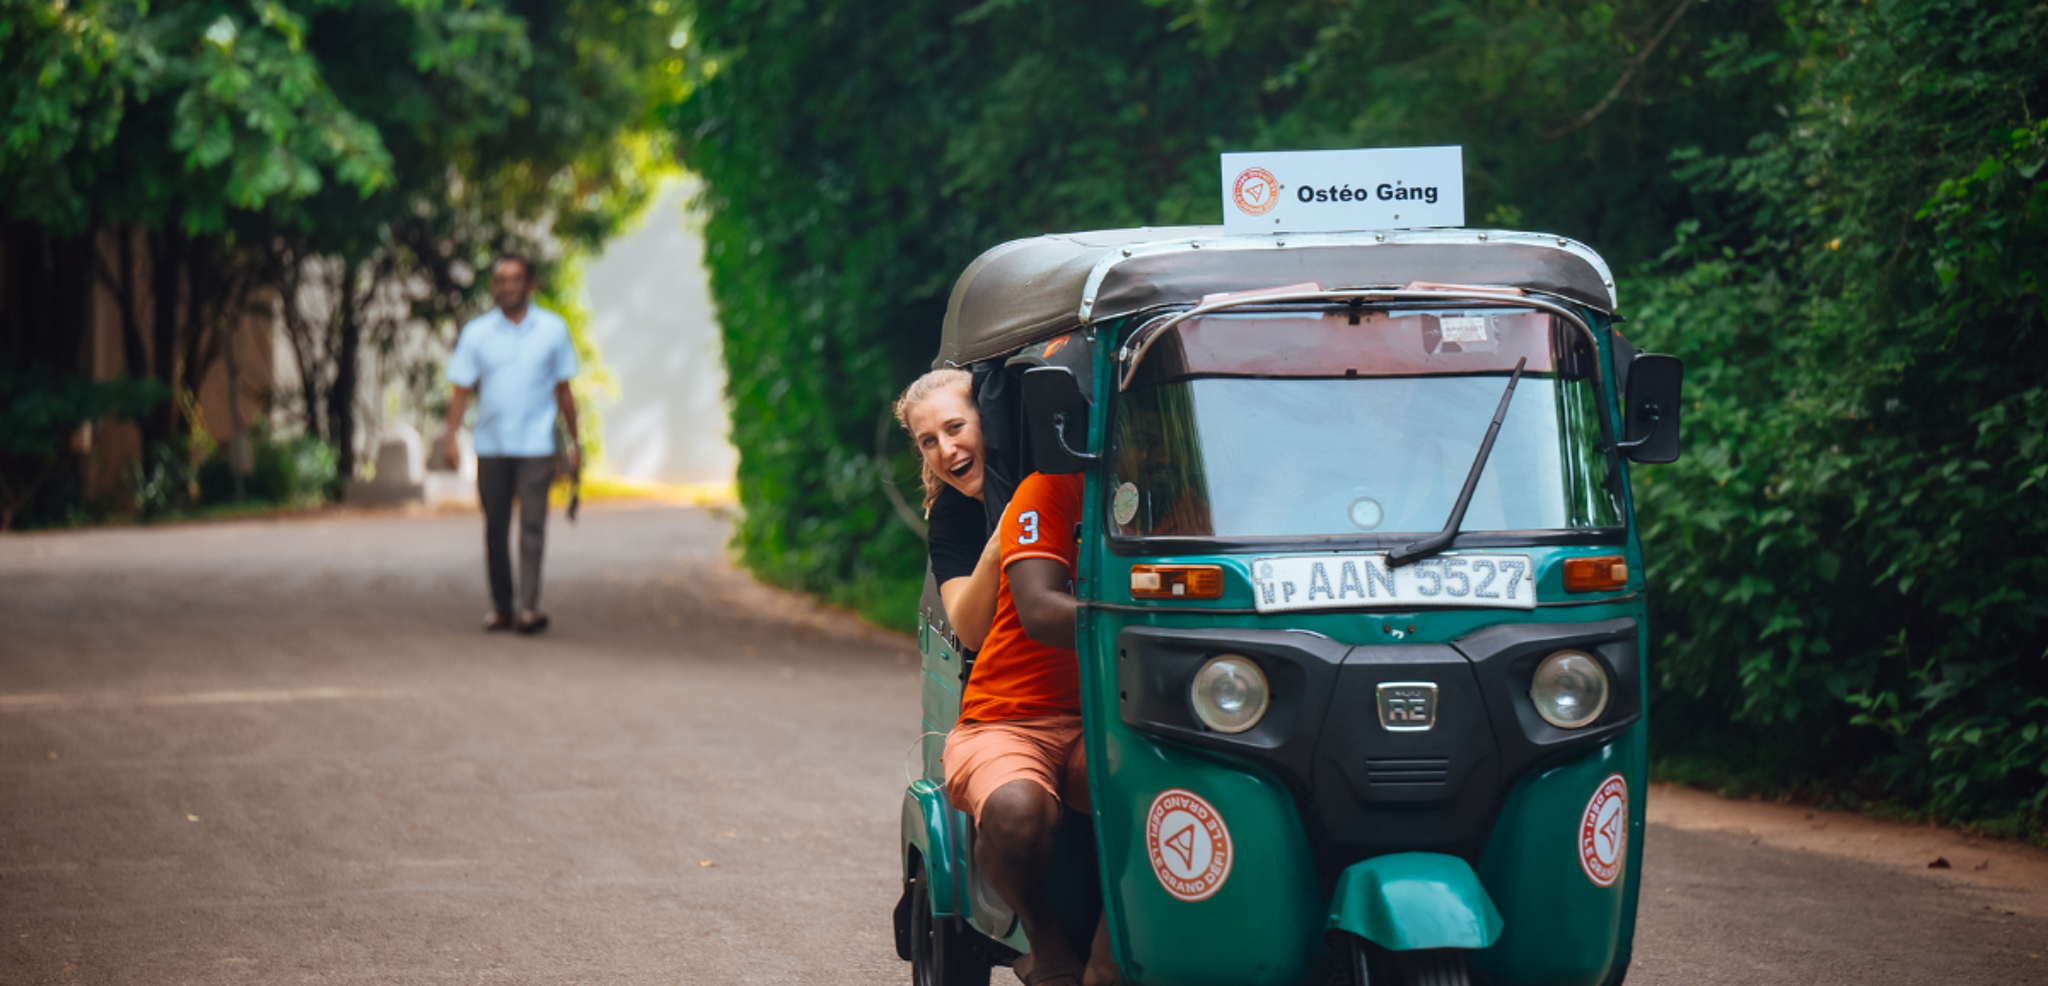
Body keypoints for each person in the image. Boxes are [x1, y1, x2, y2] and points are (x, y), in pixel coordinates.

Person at [941, 468, 1116, 986]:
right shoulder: (1053, 486)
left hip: (1115, 714)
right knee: (1015, 813)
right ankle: (1047, 941)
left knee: (1165, 793)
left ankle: (1109, 960)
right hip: (1009, 715)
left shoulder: (1199, 494)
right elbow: (1039, 609)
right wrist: (1158, 615)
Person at [439, 254, 581, 634]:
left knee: (533, 525)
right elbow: (460, 390)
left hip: (537, 445)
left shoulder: (553, 330)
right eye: (501, 280)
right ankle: (502, 606)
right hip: (492, 445)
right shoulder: (477, 334)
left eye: (516, 279)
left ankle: (529, 608)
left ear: (530, 284)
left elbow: (564, 391)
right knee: (495, 528)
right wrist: (451, 437)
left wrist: (574, 442)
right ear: (494, 287)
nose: (508, 286)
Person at [895, 368, 1002, 647]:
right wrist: (998, 545)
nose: (946, 449)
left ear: (987, 419)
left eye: (955, 427)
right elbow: (970, 633)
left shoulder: (1040, 476)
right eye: (928, 441)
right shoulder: (949, 514)